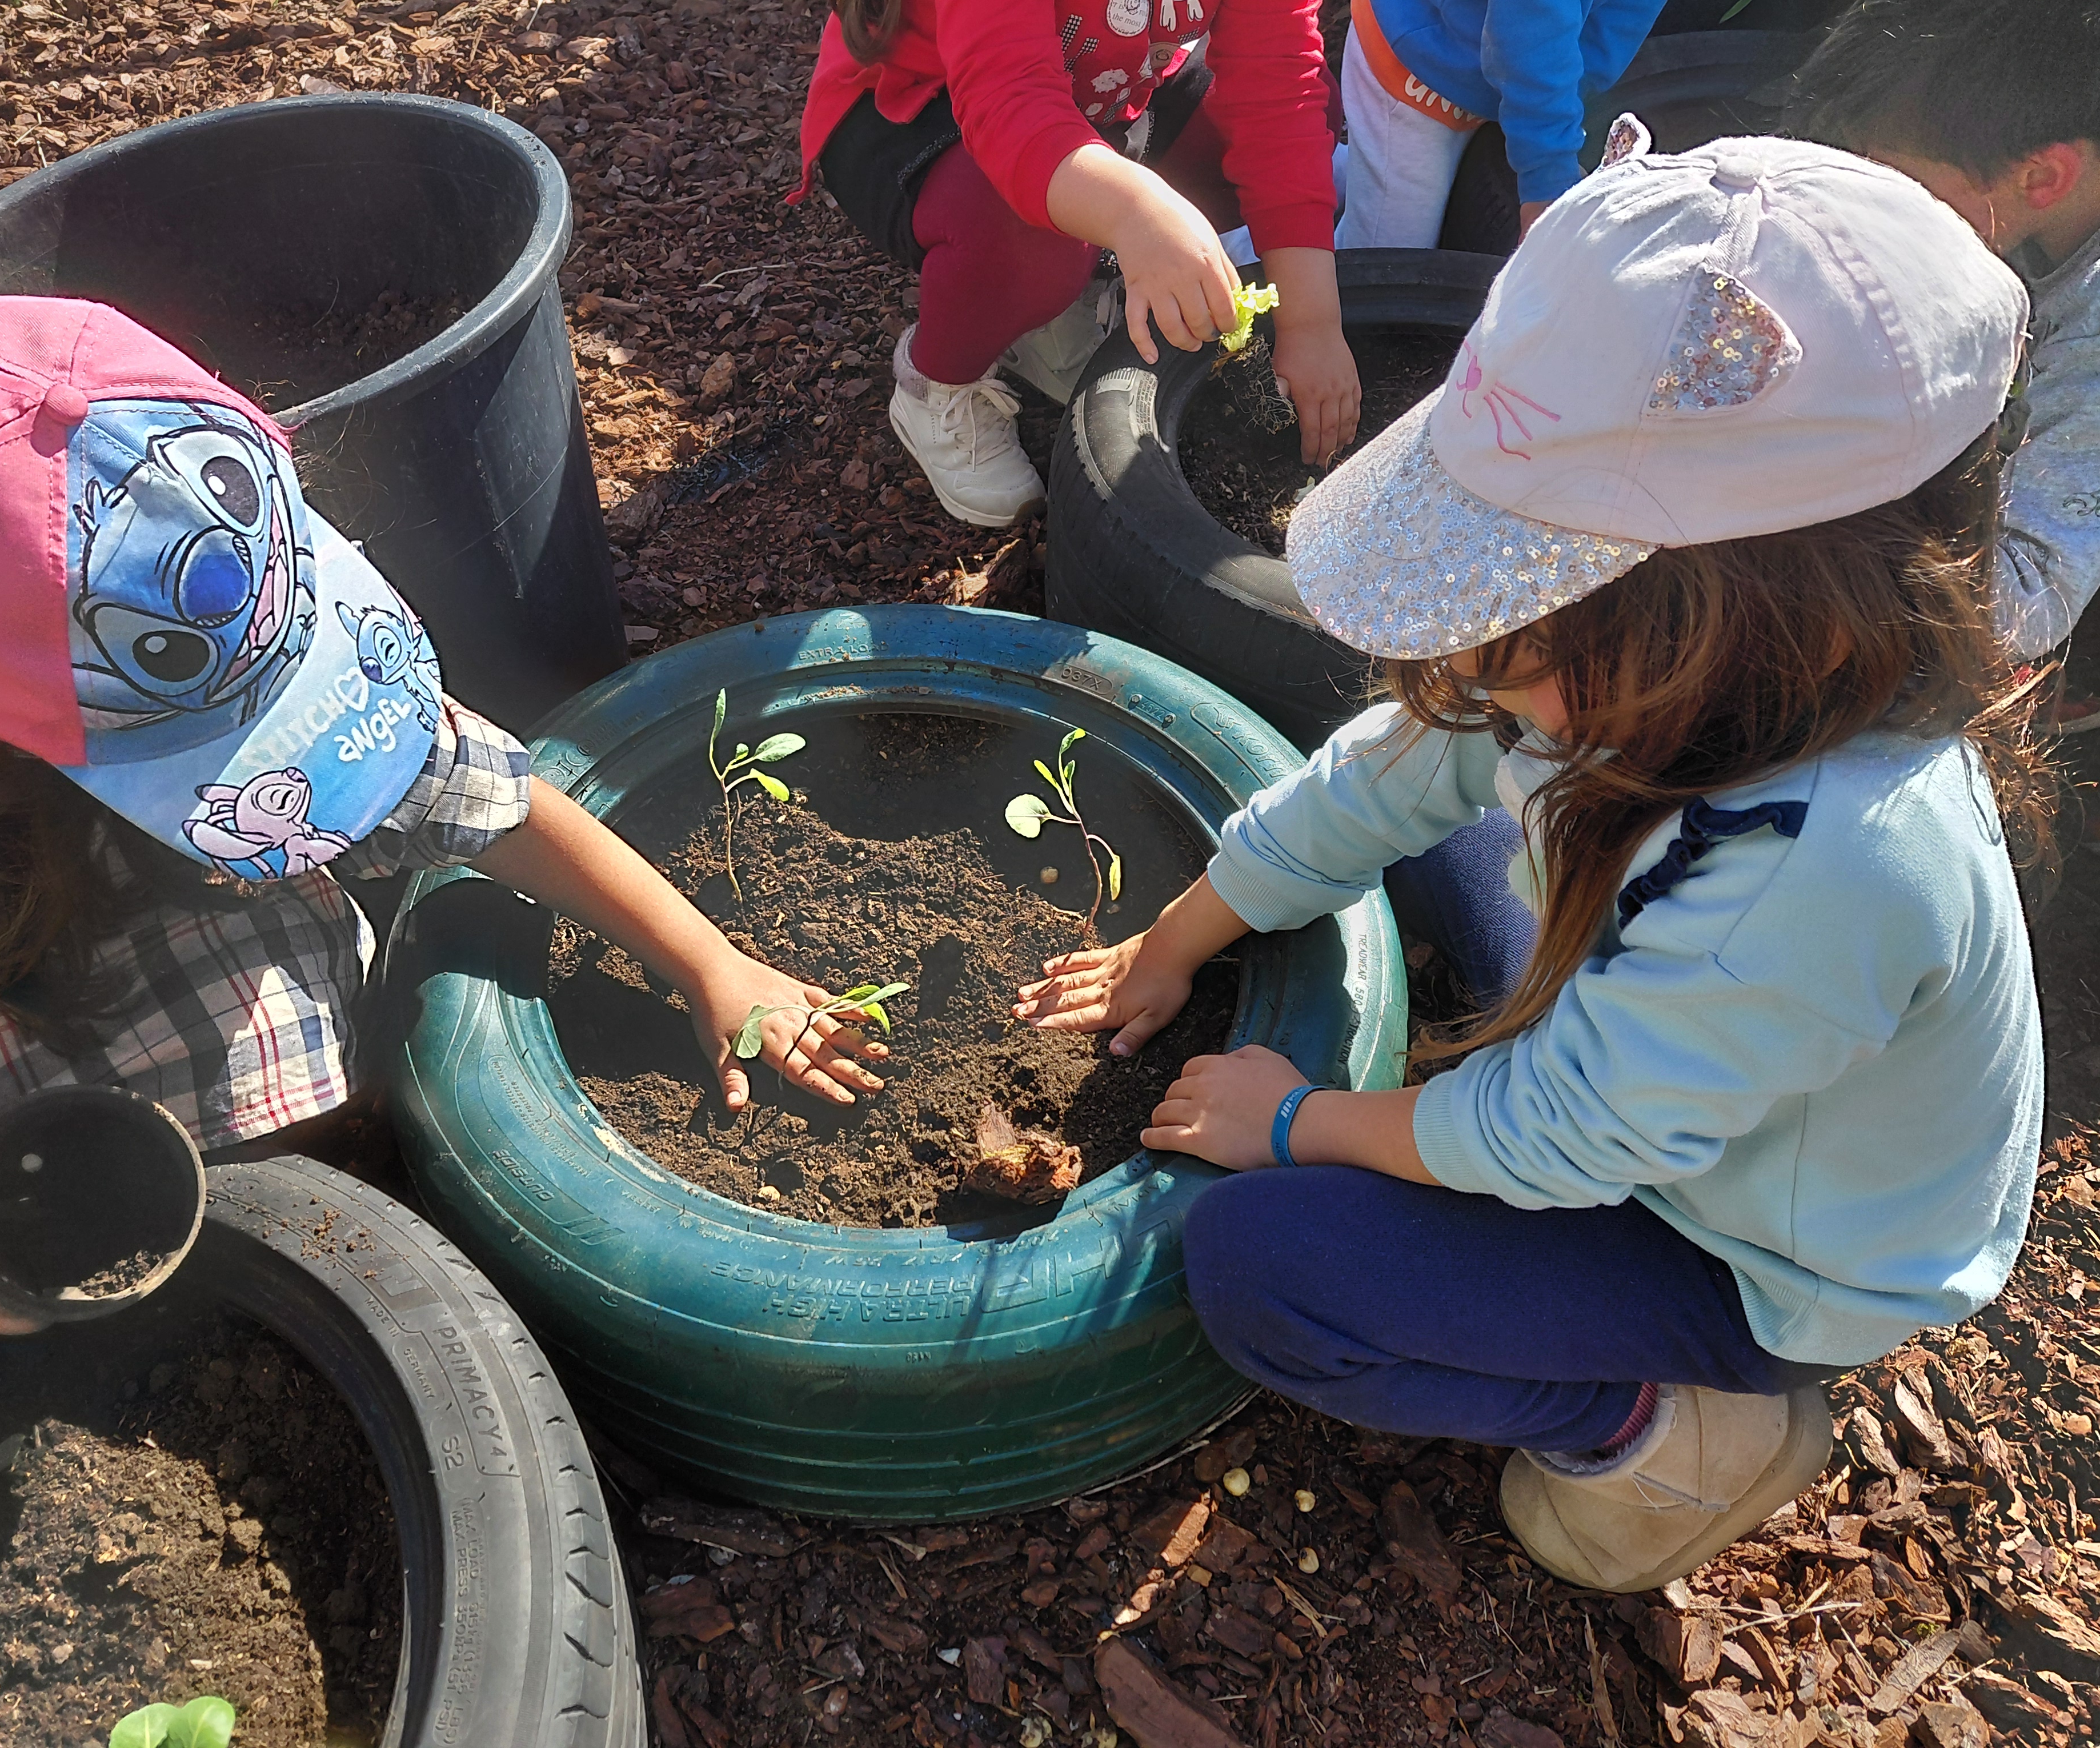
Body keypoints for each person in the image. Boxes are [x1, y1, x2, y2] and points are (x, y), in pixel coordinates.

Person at [1016, 132, 2042, 1591]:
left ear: (1767, 615)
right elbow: (1398, 766)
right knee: (1449, 815)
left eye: (1532, 631)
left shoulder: (1834, 870)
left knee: (1260, 1273)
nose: (1482, 666)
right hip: (1674, 1068)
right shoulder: (1672, 695)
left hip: (1755, 1253)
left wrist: (1306, 1122)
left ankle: (1657, 1429)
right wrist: (1183, 934)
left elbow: (1559, 1142)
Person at [0, 296, 888, 1336]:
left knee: (273, 1010)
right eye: (202, 738)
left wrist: (704, 958)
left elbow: (470, 790)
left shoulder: (181, 537)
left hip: (33, 910)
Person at [791, 0, 1360, 529]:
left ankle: (1052, 295)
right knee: (1029, 242)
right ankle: (936, 386)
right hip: (920, 101)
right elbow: (1008, 104)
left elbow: (1280, 93)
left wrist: (1311, 323)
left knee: (1305, 123)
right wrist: (1137, 213)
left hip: (1106, 89)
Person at [1792, 0, 2100, 731]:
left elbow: (2023, 602)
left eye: (1897, 191)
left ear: (2043, 178)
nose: (1861, 219)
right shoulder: (2009, 209)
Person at [1333, 0, 1665, 250]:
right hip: (1418, 65)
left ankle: (1326, 170)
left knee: (1377, 166)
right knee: (1391, 252)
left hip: (1482, 65)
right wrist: (1548, 181)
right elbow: (1530, 45)